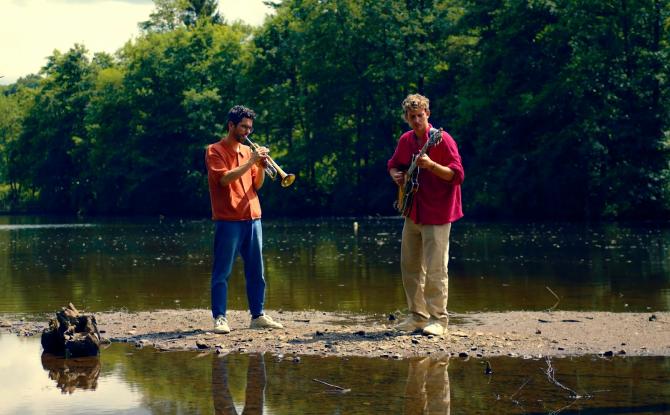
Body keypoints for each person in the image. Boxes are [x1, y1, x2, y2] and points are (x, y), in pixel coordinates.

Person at [388, 94, 464, 337]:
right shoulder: (406, 140)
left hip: (439, 212)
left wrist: (431, 166)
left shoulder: (443, 140)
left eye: (420, 115)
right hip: (413, 211)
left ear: (428, 114)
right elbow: (393, 164)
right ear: (407, 119)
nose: (417, 120)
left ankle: (438, 320)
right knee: (409, 266)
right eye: (412, 117)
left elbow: (457, 175)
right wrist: (396, 175)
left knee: (435, 269)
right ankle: (417, 316)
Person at [205, 105, 283, 334]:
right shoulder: (214, 150)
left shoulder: (248, 152)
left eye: (250, 127)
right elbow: (224, 179)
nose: (247, 132)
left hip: (253, 216)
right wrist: (251, 162)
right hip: (229, 219)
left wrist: (259, 166)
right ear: (231, 125)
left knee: (256, 271)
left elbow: (256, 185)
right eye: (243, 127)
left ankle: (257, 315)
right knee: (222, 271)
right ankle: (220, 317)